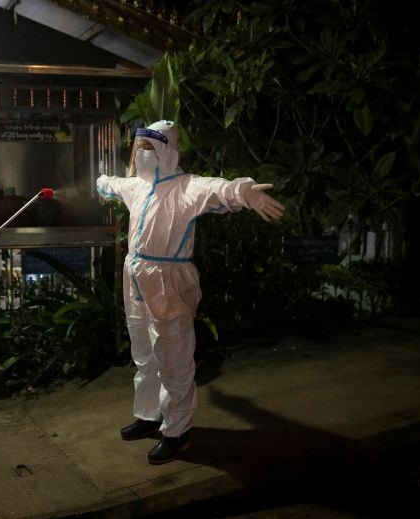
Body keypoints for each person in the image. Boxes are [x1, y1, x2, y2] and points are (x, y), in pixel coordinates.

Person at [96, 120, 285, 465]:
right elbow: (111, 184)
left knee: (174, 353)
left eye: (150, 148)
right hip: (135, 274)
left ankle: (177, 430)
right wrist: (99, 182)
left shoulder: (186, 187)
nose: (142, 154)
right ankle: (148, 414)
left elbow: (218, 190)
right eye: (139, 147)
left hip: (169, 278)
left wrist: (244, 192)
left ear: (167, 151)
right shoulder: (138, 187)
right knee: (143, 351)